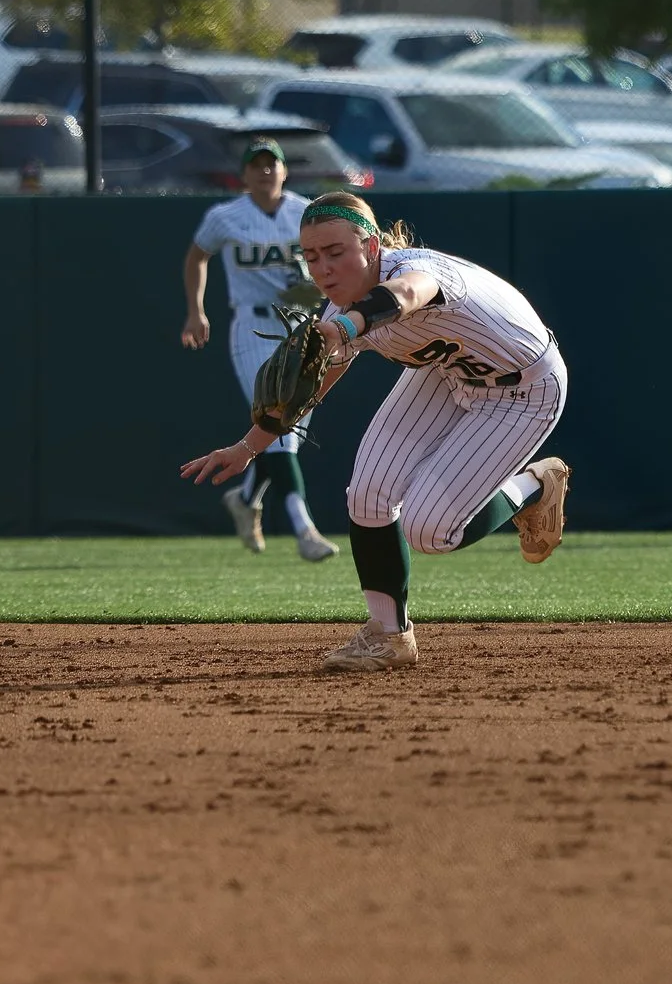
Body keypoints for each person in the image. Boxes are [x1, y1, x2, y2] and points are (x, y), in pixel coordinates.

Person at [180, 191, 571, 673]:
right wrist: (248, 447)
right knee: (367, 494)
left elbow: (406, 297)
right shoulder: (335, 312)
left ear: (370, 247)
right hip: (445, 375)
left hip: (524, 388)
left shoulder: (419, 271)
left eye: (335, 252)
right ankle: (390, 637)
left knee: (430, 531)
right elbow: (310, 388)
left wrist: (347, 326)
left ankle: (536, 486)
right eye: (312, 256)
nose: (322, 268)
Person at [181, 139, 339, 562]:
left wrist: (317, 290)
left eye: (273, 164)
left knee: (291, 432)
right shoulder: (225, 216)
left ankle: (246, 497)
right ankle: (304, 528)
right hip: (252, 325)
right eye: (257, 165)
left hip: (301, 323)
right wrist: (196, 311)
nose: (265, 171)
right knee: (277, 425)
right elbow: (197, 256)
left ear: (284, 171)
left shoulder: (307, 212)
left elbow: (328, 263)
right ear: (244, 174)